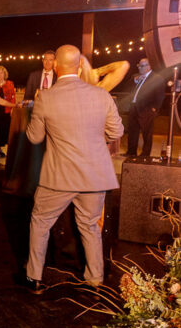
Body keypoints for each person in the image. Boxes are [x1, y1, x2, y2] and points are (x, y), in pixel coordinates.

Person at [23, 44, 123, 292]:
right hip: (95, 176)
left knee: (40, 222)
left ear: (55, 66)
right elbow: (116, 132)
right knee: (89, 226)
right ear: (79, 65)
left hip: (58, 176)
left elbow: (34, 137)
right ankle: (95, 277)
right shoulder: (101, 95)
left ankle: (34, 276)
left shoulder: (46, 97)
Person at [126, 57, 166, 158]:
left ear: (149, 66)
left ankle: (145, 154)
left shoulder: (157, 78)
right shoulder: (136, 77)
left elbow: (160, 96)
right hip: (134, 108)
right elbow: (126, 86)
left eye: (142, 66)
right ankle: (131, 152)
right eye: (139, 65)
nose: (140, 68)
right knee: (132, 132)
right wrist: (135, 80)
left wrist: (154, 110)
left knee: (147, 134)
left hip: (147, 110)